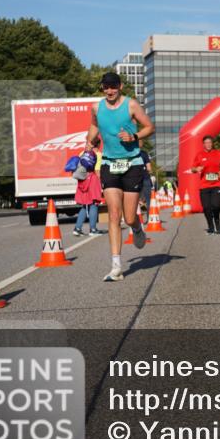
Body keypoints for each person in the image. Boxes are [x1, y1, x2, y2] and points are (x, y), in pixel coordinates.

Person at [87, 71, 154, 281]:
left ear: (120, 86)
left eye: (113, 86)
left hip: (132, 164)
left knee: (129, 217)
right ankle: (116, 265)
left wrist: (134, 136)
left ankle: (137, 228)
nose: (109, 91)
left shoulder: (131, 105)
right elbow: (94, 125)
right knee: (114, 216)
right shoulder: (97, 107)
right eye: (106, 87)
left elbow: (150, 127)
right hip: (109, 163)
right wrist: (89, 143)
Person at [191, 135, 220, 234]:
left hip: (216, 183)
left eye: (210, 142)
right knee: (206, 207)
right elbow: (192, 168)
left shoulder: (218, 153)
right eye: (206, 143)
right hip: (204, 185)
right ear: (203, 145)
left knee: (216, 206)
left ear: (212, 143)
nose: (208, 144)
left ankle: (217, 221)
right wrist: (196, 169)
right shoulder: (199, 155)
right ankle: (210, 225)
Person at [73, 144, 103, 236]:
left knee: (84, 205)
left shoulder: (82, 153)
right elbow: (97, 170)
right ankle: (93, 229)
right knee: (94, 204)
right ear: (98, 145)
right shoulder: (98, 154)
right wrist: (102, 183)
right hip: (93, 179)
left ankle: (77, 228)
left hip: (82, 180)